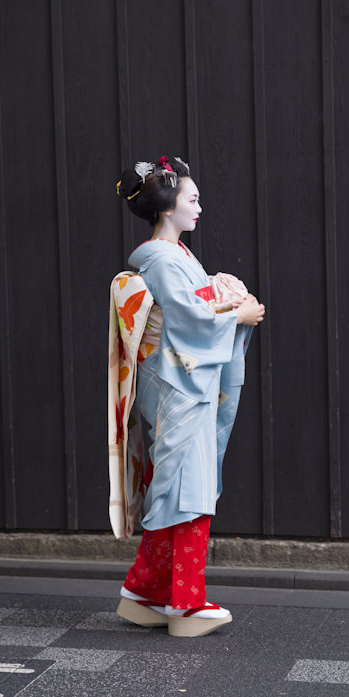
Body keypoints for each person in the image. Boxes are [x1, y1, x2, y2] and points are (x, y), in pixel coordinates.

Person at [113, 156, 265, 637]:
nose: (199, 207)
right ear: (167, 207)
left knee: (175, 488)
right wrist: (237, 316)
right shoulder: (161, 258)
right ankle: (184, 605)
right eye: (192, 199)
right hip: (178, 382)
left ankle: (142, 592)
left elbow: (193, 304)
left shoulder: (174, 256)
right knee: (187, 490)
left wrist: (221, 291)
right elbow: (185, 320)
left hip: (179, 378)